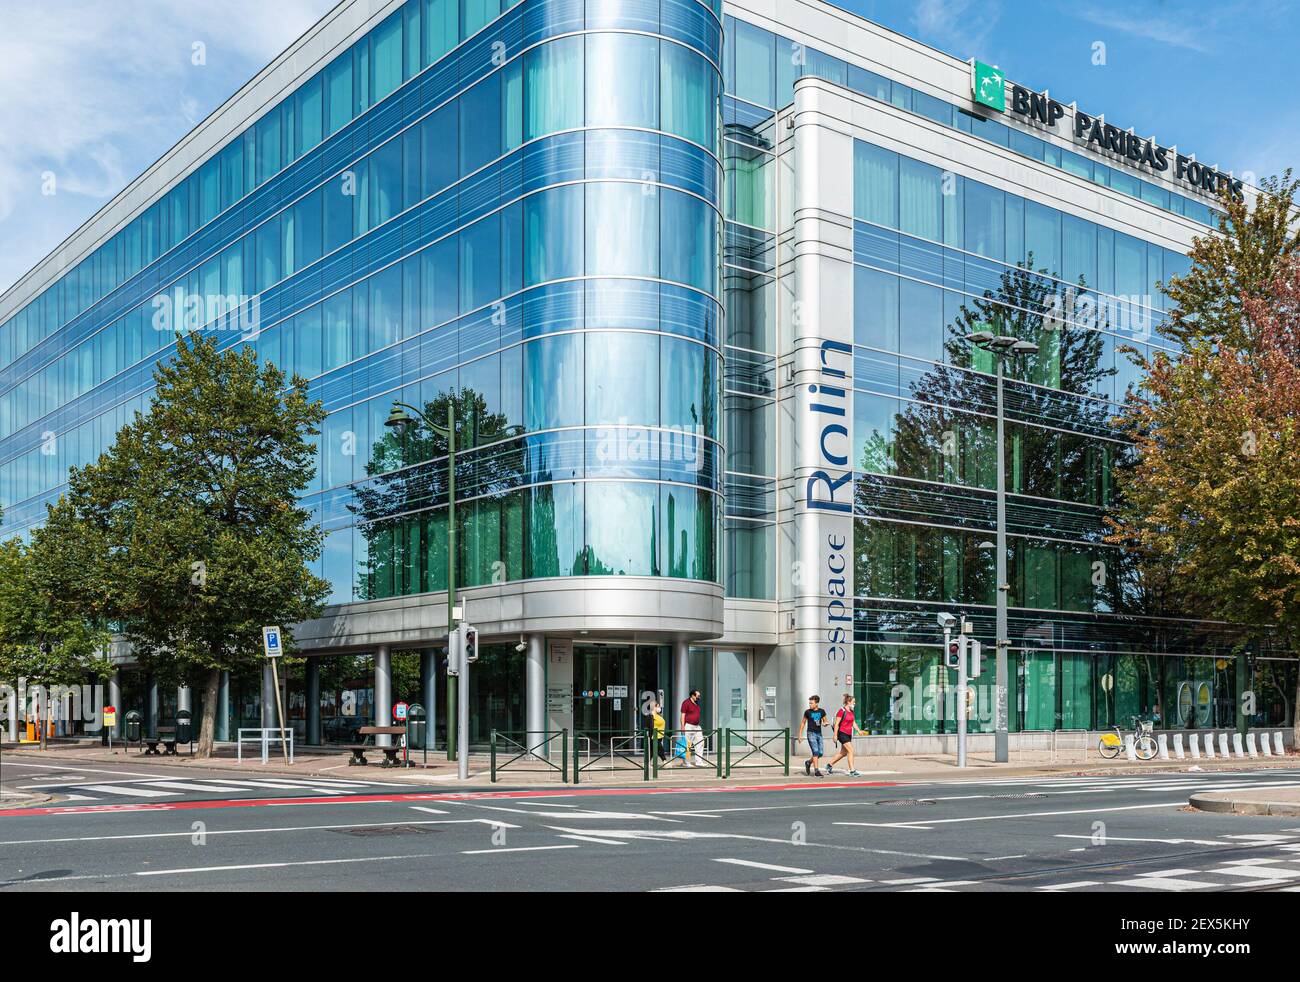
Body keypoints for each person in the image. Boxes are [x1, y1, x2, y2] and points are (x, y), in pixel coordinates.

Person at [825, 693, 863, 777]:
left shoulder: (851, 711)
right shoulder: (841, 711)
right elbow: (837, 724)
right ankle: (852, 770)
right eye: (853, 702)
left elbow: (853, 722)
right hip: (842, 733)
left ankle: (829, 765)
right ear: (848, 702)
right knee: (851, 750)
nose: (854, 704)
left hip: (848, 734)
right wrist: (835, 735)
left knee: (843, 753)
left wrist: (858, 730)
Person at [797, 695, 828, 777]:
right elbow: (803, 723)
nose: (810, 705)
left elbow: (825, 721)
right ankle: (816, 771)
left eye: (811, 703)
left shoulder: (822, 711)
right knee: (815, 752)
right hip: (811, 733)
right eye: (809, 703)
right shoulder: (807, 712)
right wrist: (799, 735)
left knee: (820, 753)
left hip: (819, 734)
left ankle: (808, 762)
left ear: (817, 703)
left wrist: (825, 724)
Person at [680, 689, 708, 767]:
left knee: (700, 742)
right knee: (688, 744)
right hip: (689, 725)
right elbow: (683, 715)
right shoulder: (686, 703)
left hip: (697, 726)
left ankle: (699, 761)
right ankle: (686, 762)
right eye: (698, 696)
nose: (699, 697)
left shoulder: (697, 703)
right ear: (692, 695)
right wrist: (682, 726)